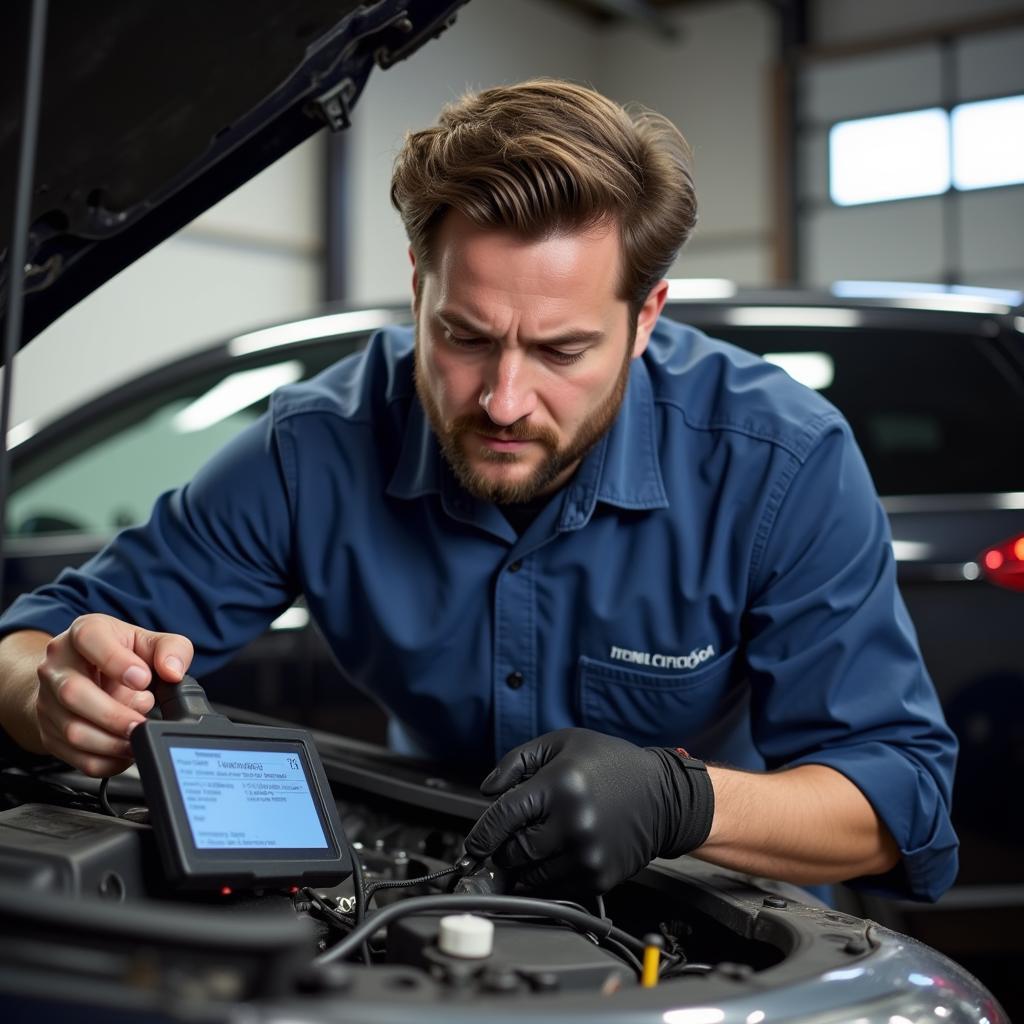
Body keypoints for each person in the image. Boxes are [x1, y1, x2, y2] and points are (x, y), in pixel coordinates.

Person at [0, 79, 957, 902]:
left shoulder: (779, 460)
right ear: (417, 285)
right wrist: (52, 692)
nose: (503, 399)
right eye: (463, 336)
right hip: (439, 903)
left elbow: (897, 798)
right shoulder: (317, 448)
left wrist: (681, 800)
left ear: (647, 316)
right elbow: (32, 642)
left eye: (561, 350)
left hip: (711, 918)